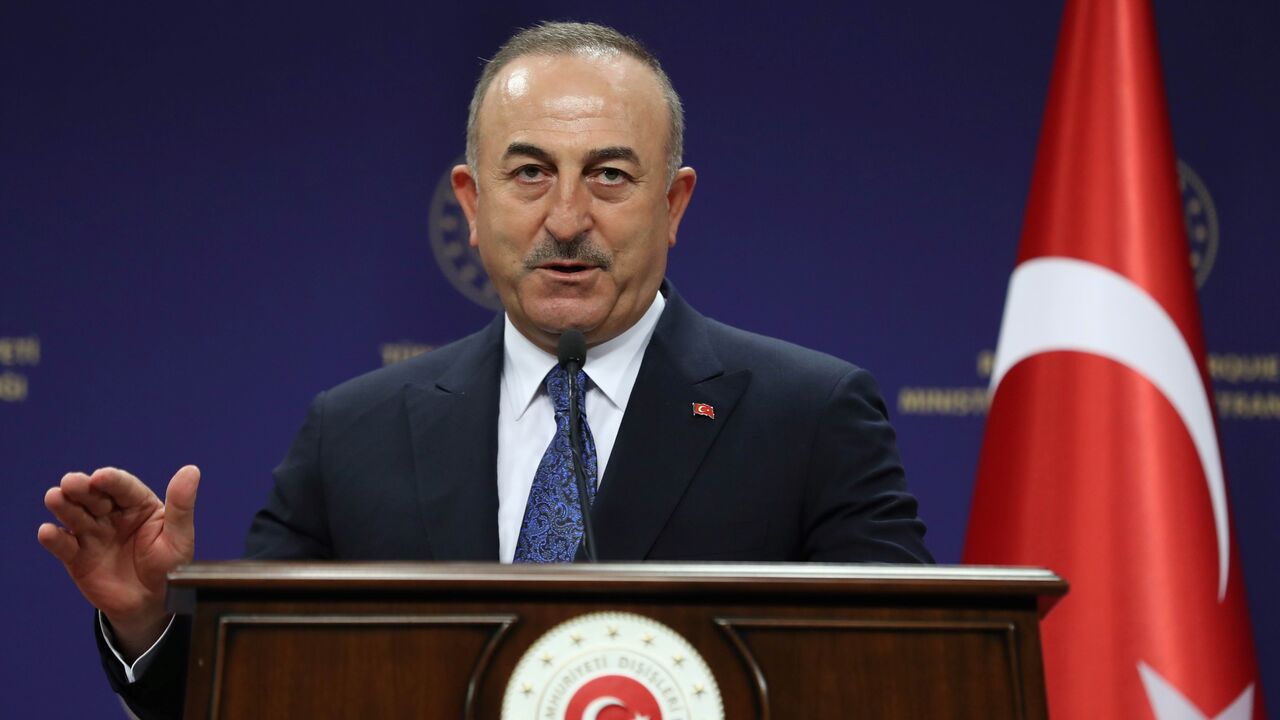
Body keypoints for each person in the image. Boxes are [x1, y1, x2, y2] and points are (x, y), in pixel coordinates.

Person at [37, 21, 931, 719]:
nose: (567, 217)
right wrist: (150, 622)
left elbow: (908, 681)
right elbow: (262, 694)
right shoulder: (353, 432)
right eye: (531, 172)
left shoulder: (809, 415)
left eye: (610, 176)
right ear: (471, 202)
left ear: (673, 204)